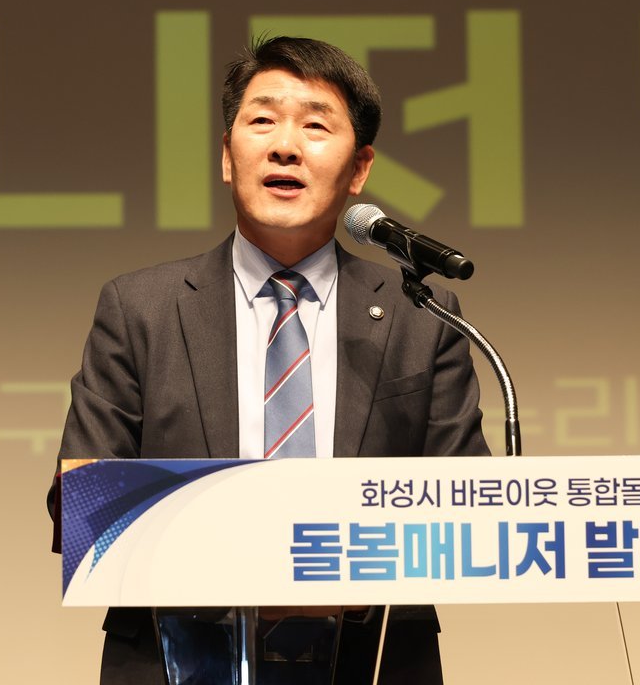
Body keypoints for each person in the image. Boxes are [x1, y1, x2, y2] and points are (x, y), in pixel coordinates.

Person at [51, 36, 490, 684]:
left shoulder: (420, 315)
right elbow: (84, 504)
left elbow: (470, 512)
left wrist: (337, 564)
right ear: (227, 157)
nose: (286, 145)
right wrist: (247, 554)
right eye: (262, 121)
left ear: (359, 168)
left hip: (372, 660)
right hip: (178, 660)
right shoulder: (139, 308)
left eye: (315, 126)